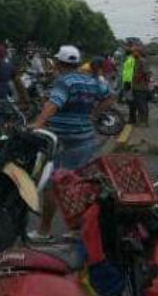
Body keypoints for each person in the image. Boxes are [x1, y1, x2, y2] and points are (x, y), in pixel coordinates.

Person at [31, 45, 113, 239]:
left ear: (60, 63)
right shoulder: (90, 81)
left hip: (63, 140)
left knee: (52, 184)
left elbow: (54, 104)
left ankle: (44, 230)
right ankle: (78, 229)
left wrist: (38, 123)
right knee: (80, 184)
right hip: (86, 139)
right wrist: (93, 114)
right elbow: (109, 97)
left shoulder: (64, 82)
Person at [126, 45, 151, 127]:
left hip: (141, 86)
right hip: (135, 86)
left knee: (142, 105)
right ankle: (140, 121)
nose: (132, 54)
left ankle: (144, 122)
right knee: (137, 104)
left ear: (138, 52)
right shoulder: (134, 61)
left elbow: (147, 74)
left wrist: (145, 82)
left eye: (134, 52)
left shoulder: (143, 61)